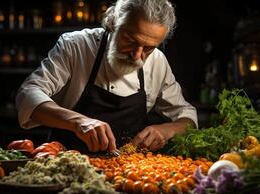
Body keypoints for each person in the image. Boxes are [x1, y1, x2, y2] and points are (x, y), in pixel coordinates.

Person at [15, 0, 198, 154]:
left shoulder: (158, 62)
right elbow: (28, 94)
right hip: (65, 163)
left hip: (126, 173)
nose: (137, 55)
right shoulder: (76, 46)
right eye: (130, 40)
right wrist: (79, 121)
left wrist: (166, 131)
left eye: (148, 48)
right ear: (113, 22)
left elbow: (187, 117)